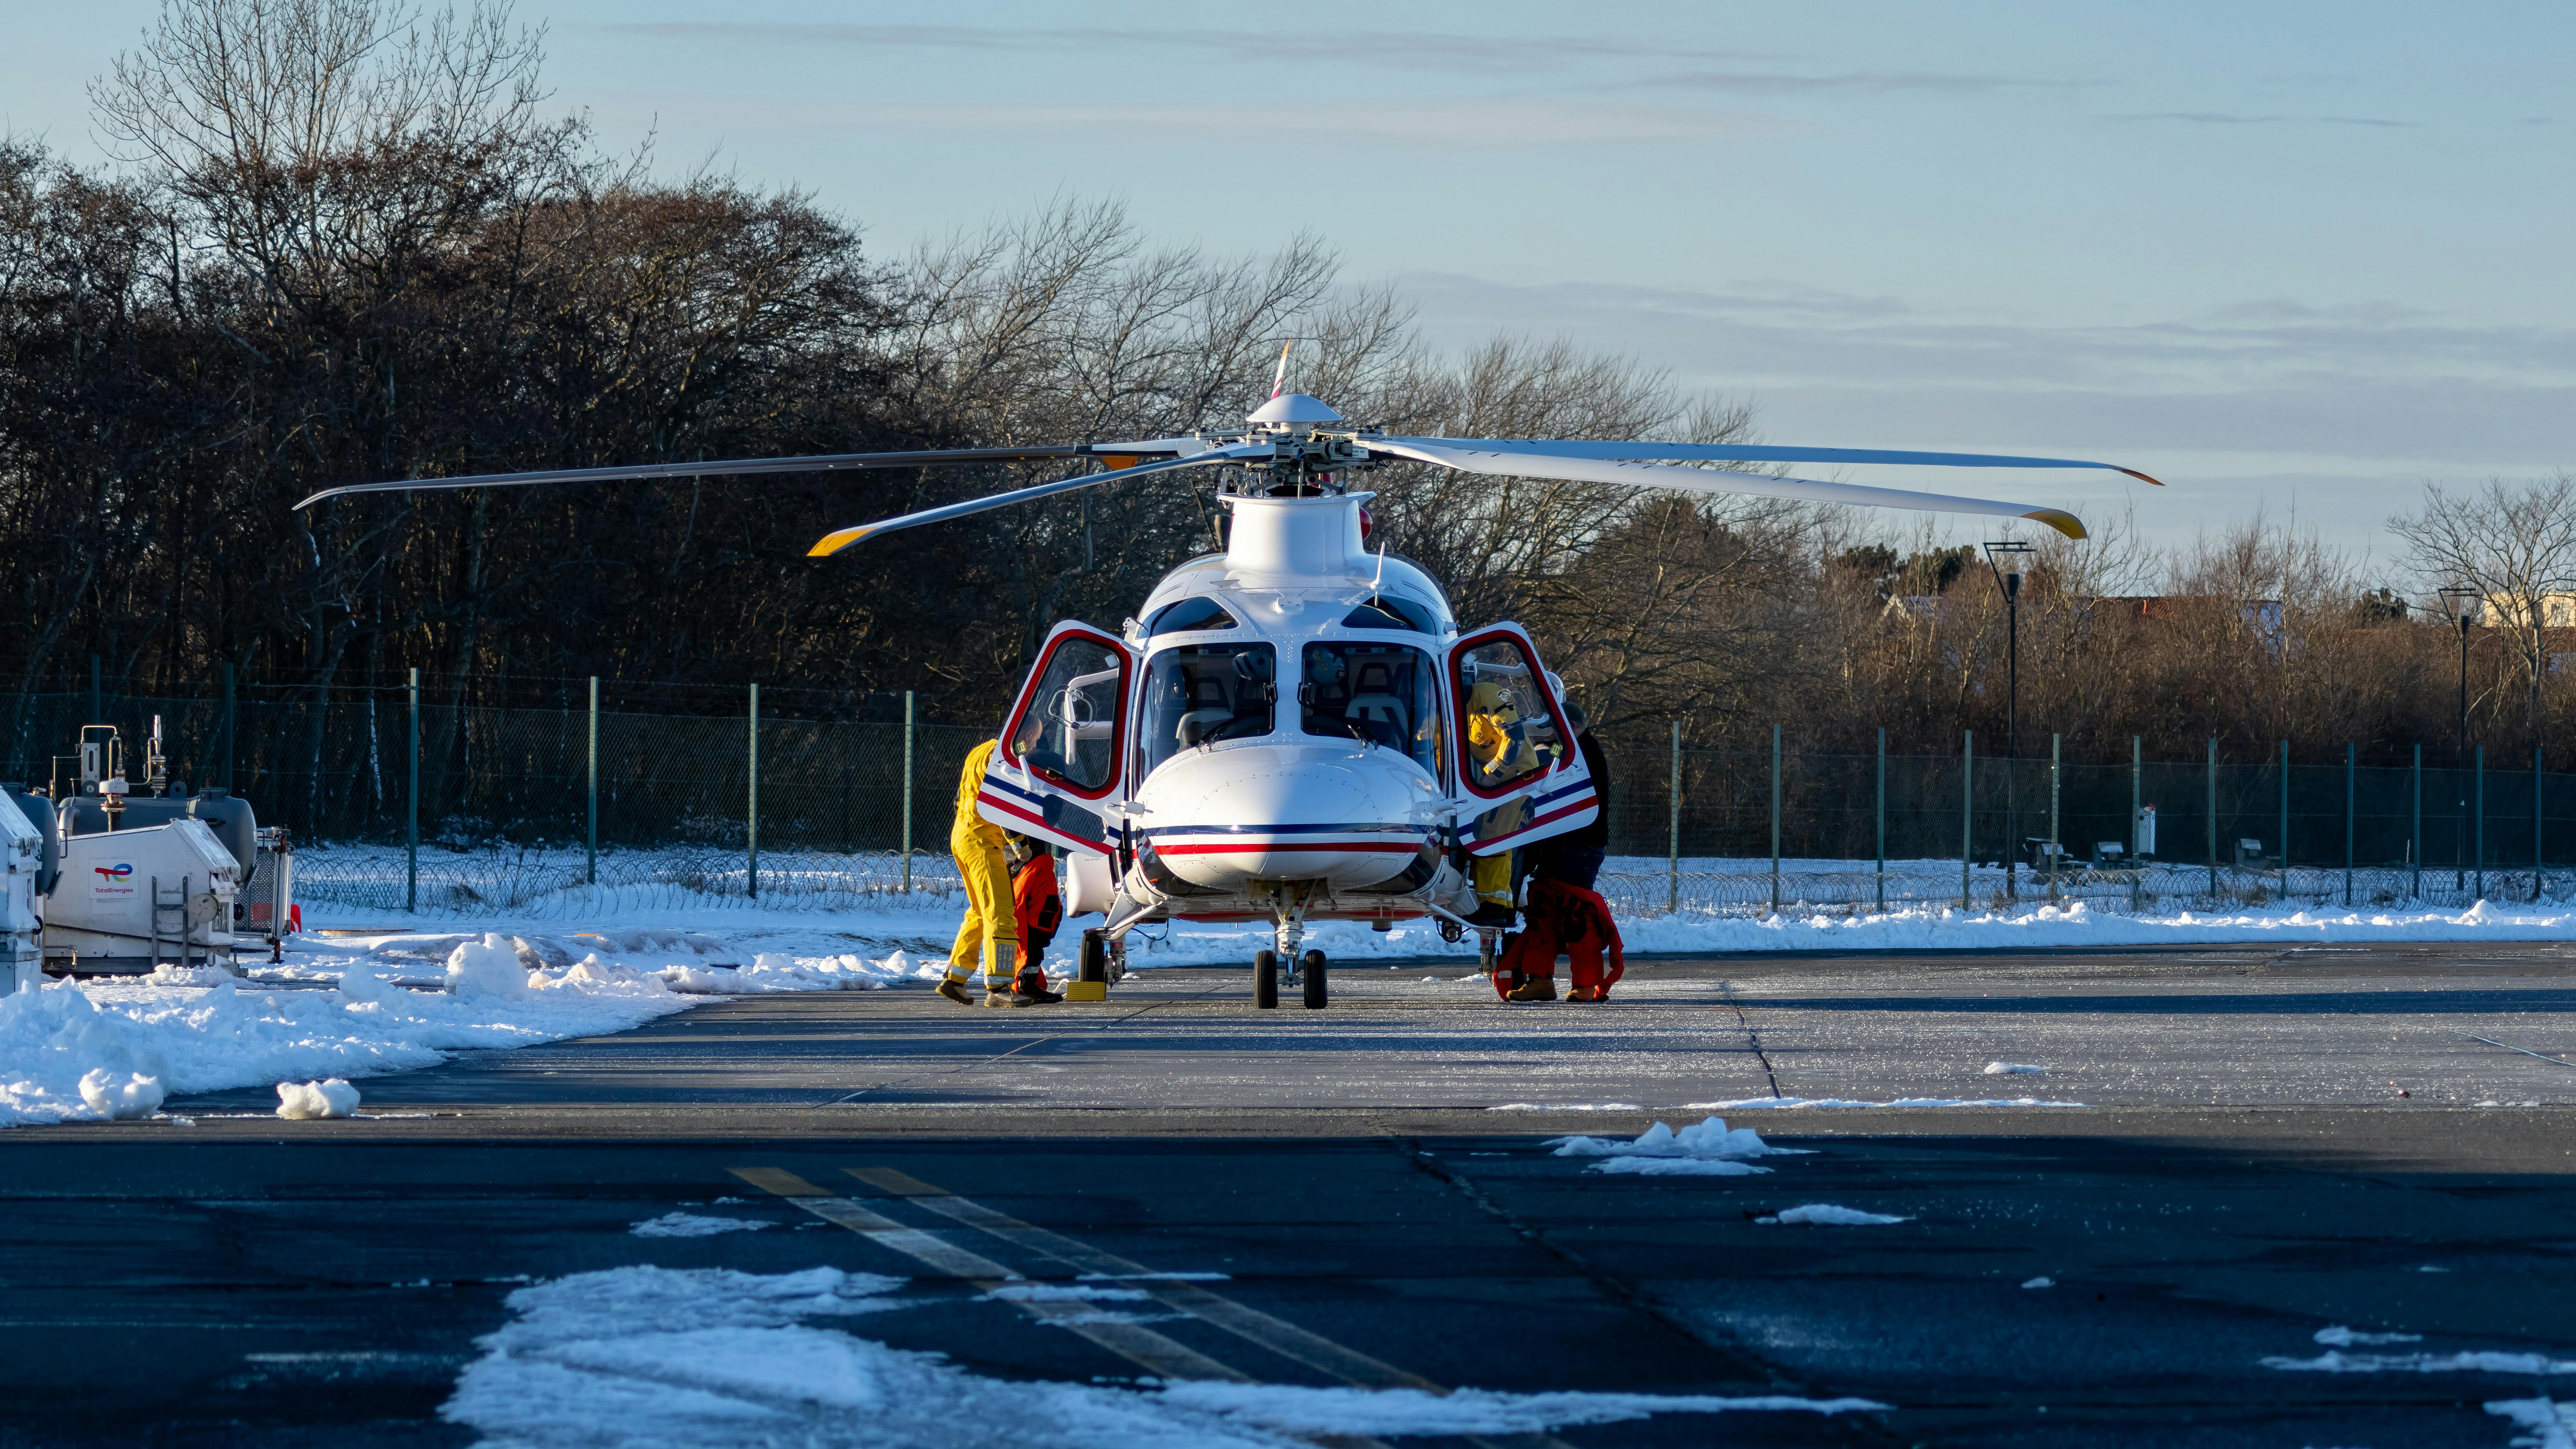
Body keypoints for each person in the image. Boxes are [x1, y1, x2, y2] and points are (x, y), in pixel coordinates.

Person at [1506, 698, 1620, 1002]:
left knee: (1576, 916)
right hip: (1561, 844)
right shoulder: (1568, 749)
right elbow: (1549, 761)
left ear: (1571, 727)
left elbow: (1552, 775)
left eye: (1556, 729)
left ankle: (1585, 983)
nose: (1552, 735)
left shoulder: (1583, 753)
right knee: (1544, 912)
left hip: (1579, 847)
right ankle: (1540, 980)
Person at [940, 739, 1061, 1007]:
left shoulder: (980, 751)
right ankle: (999, 987)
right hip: (984, 843)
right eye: (1034, 741)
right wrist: (1019, 844)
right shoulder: (1004, 754)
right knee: (1002, 914)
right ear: (1028, 735)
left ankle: (955, 980)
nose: (1032, 748)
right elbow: (1001, 802)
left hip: (966, 834)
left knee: (979, 913)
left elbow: (964, 797)